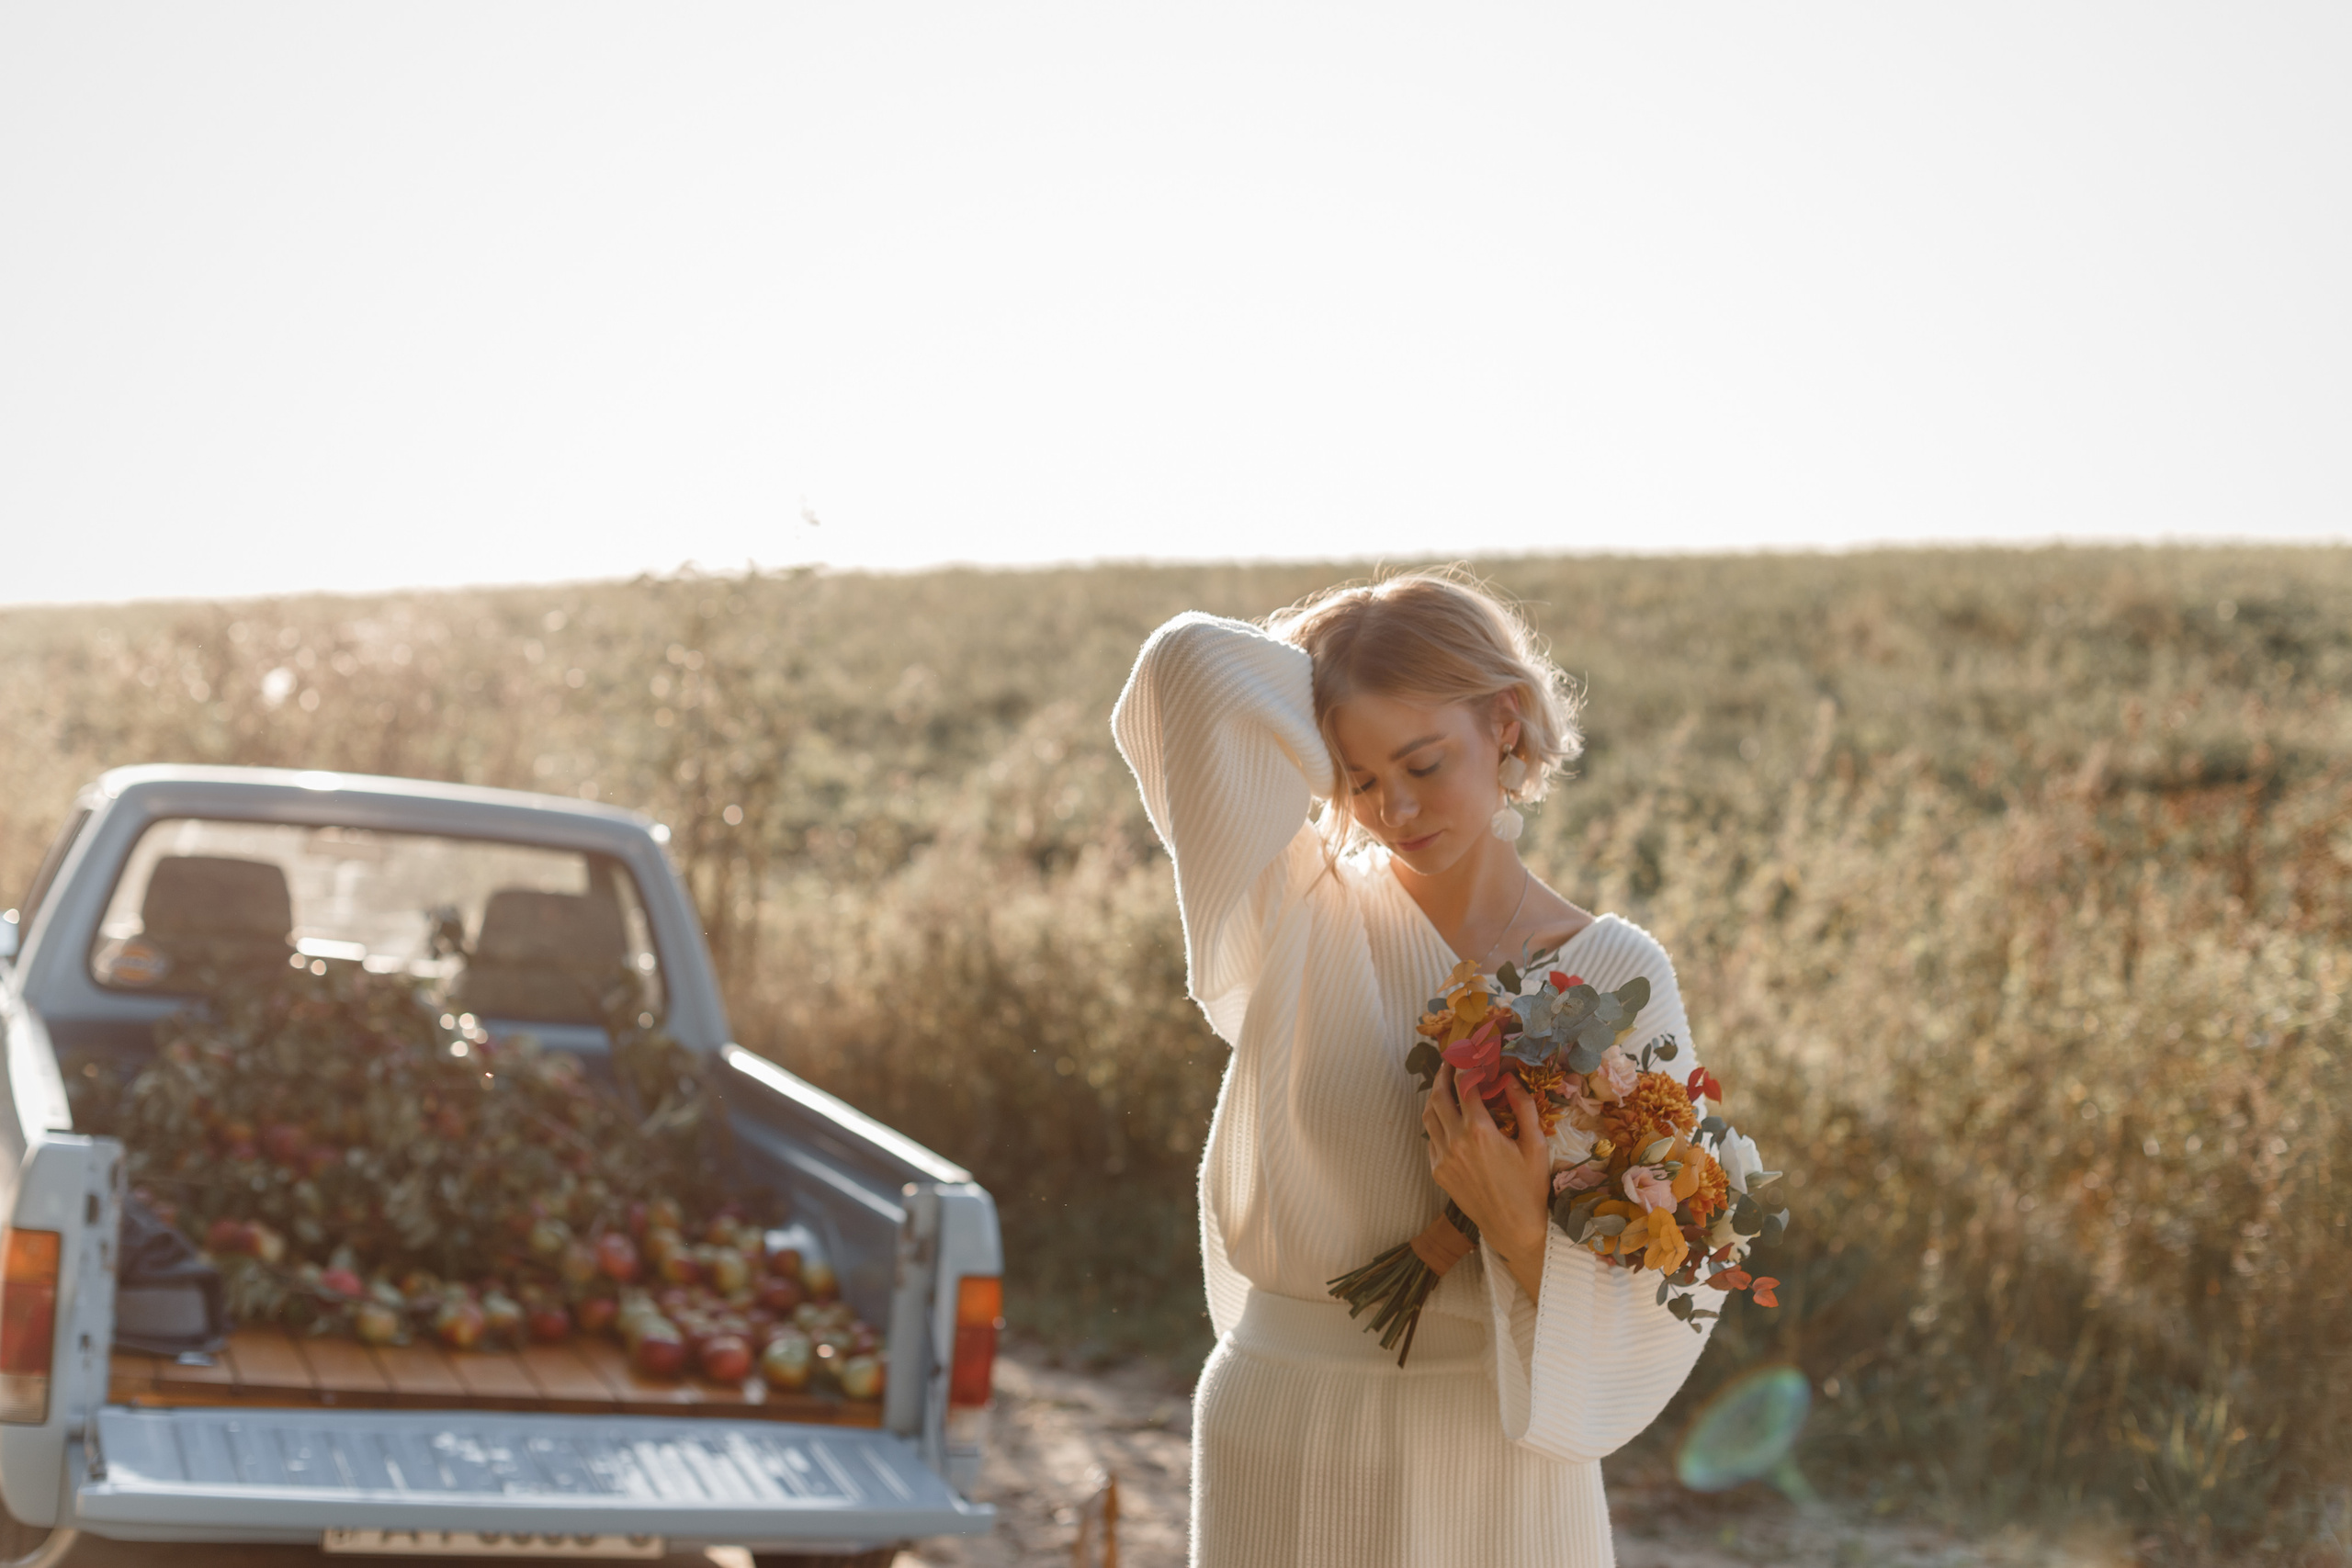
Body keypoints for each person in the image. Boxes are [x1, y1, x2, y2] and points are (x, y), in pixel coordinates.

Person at [1112, 568, 1713, 1567]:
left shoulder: (1613, 976)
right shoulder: (1297, 914)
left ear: (1505, 724)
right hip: (1286, 1423)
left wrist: (1518, 1225)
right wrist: (1328, 675)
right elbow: (1186, 665)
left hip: (1492, 1444)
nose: (1393, 808)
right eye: (1358, 780)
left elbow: (1660, 1274)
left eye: (1423, 764)